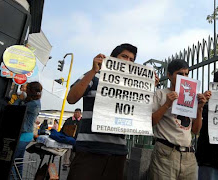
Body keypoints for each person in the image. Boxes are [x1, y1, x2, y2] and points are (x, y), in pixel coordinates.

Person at [66, 43, 138, 180]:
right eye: (124, 56)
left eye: (131, 60)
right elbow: (71, 98)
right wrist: (93, 71)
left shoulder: (133, 85)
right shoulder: (94, 76)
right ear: (112, 57)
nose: (127, 61)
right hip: (89, 150)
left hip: (118, 153)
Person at [148, 59, 207, 180]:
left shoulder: (192, 97)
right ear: (169, 75)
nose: (184, 77)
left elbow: (195, 131)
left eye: (186, 74)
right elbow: (150, 122)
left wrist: (199, 109)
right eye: (180, 74)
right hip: (165, 153)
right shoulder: (160, 94)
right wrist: (167, 104)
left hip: (188, 156)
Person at [11, 81, 42, 178]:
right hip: (26, 135)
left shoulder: (32, 104)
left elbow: (14, 110)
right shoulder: (34, 102)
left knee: (11, 163)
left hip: (23, 136)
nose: (23, 89)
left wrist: (19, 99)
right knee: (18, 162)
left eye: (26, 88)